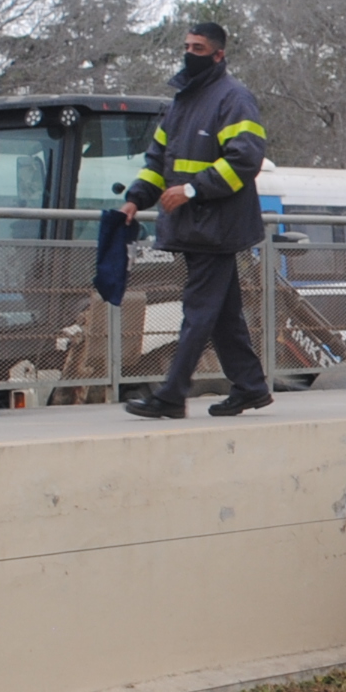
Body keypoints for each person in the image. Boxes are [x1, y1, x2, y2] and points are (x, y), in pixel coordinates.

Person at [120, 21, 273, 418]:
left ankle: (171, 395)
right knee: (223, 315)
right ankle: (251, 387)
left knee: (199, 311)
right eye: (187, 45)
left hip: (217, 227)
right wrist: (136, 199)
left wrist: (191, 190)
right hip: (194, 227)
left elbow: (245, 159)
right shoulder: (180, 103)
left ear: (219, 54)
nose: (189, 52)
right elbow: (158, 164)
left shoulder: (235, 99)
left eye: (198, 47)